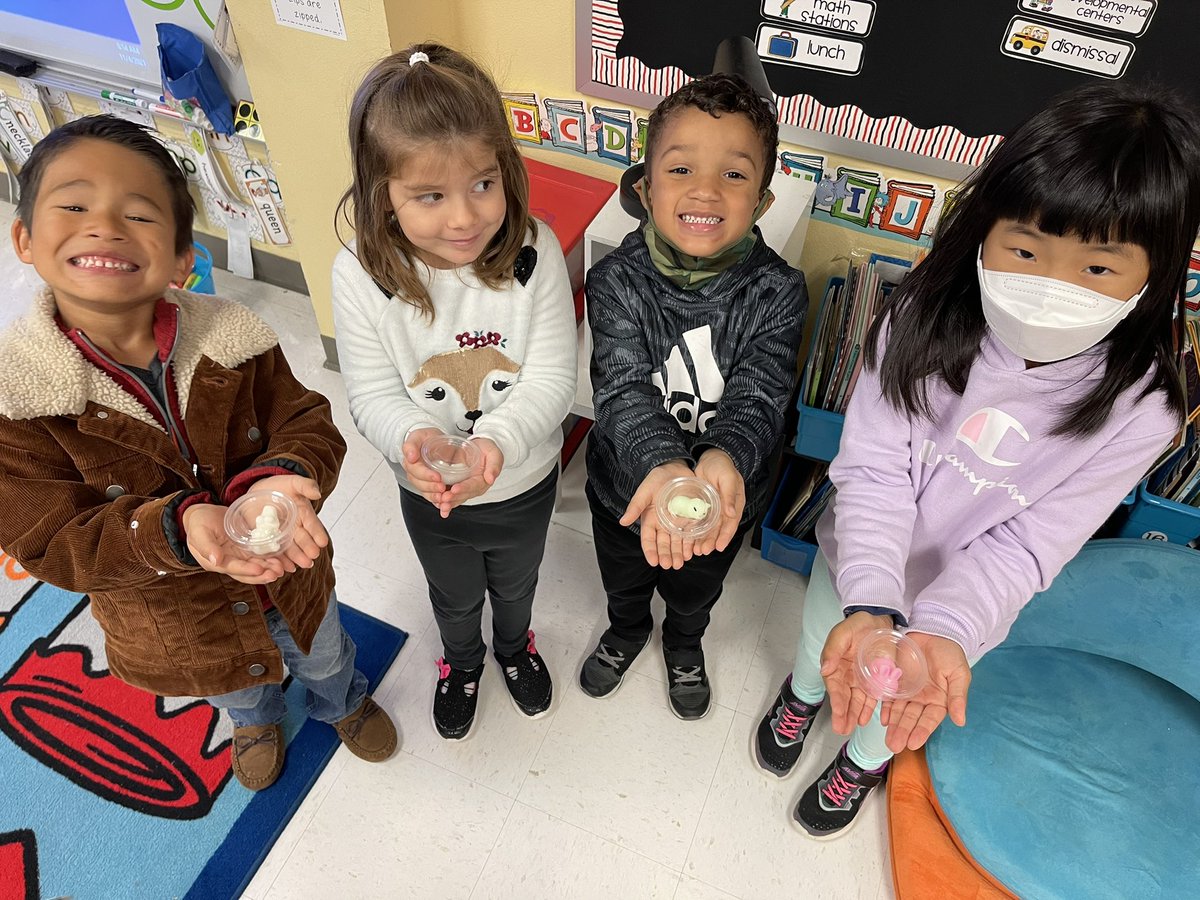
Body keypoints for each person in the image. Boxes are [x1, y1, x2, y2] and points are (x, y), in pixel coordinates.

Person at [754, 81, 1200, 839]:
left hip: (963, 616)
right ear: (987, 230)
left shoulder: (1142, 409)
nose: (1049, 289)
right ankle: (799, 696)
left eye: (1097, 270)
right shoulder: (918, 314)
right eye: (1024, 251)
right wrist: (870, 599)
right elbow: (873, 469)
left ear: (1155, 274)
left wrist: (947, 627)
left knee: (899, 707)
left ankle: (860, 765)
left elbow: (1031, 545)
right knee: (824, 642)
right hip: (860, 563)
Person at [0, 115, 397, 792]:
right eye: (73, 204)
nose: (105, 225)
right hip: (175, 619)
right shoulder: (19, 400)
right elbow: (51, 540)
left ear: (185, 257)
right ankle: (255, 723)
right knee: (232, 687)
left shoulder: (232, 339)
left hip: (288, 577)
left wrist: (282, 478)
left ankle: (343, 701)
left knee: (323, 653)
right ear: (25, 239)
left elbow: (306, 420)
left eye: (139, 212)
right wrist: (170, 529)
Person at [331, 45, 577, 741]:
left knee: (518, 583)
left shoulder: (536, 253)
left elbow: (554, 377)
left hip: (523, 482)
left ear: (507, 173)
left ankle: (514, 646)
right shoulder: (358, 276)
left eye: (482, 184)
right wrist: (418, 440)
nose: (465, 218)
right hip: (431, 491)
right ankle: (462, 661)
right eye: (429, 197)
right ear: (384, 195)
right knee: (454, 594)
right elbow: (374, 392)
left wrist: (494, 443)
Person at [579, 73, 808, 719]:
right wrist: (661, 466)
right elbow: (621, 388)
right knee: (625, 580)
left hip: (725, 500)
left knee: (694, 591)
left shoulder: (777, 290)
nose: (705, 190)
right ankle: (626, 632)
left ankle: (683, 644)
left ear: (762, 201)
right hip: (622, 490)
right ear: (646, 188)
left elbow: (761, 393)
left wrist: (723, 458)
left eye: (734, 176)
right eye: (680, 169)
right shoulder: (615, 280)